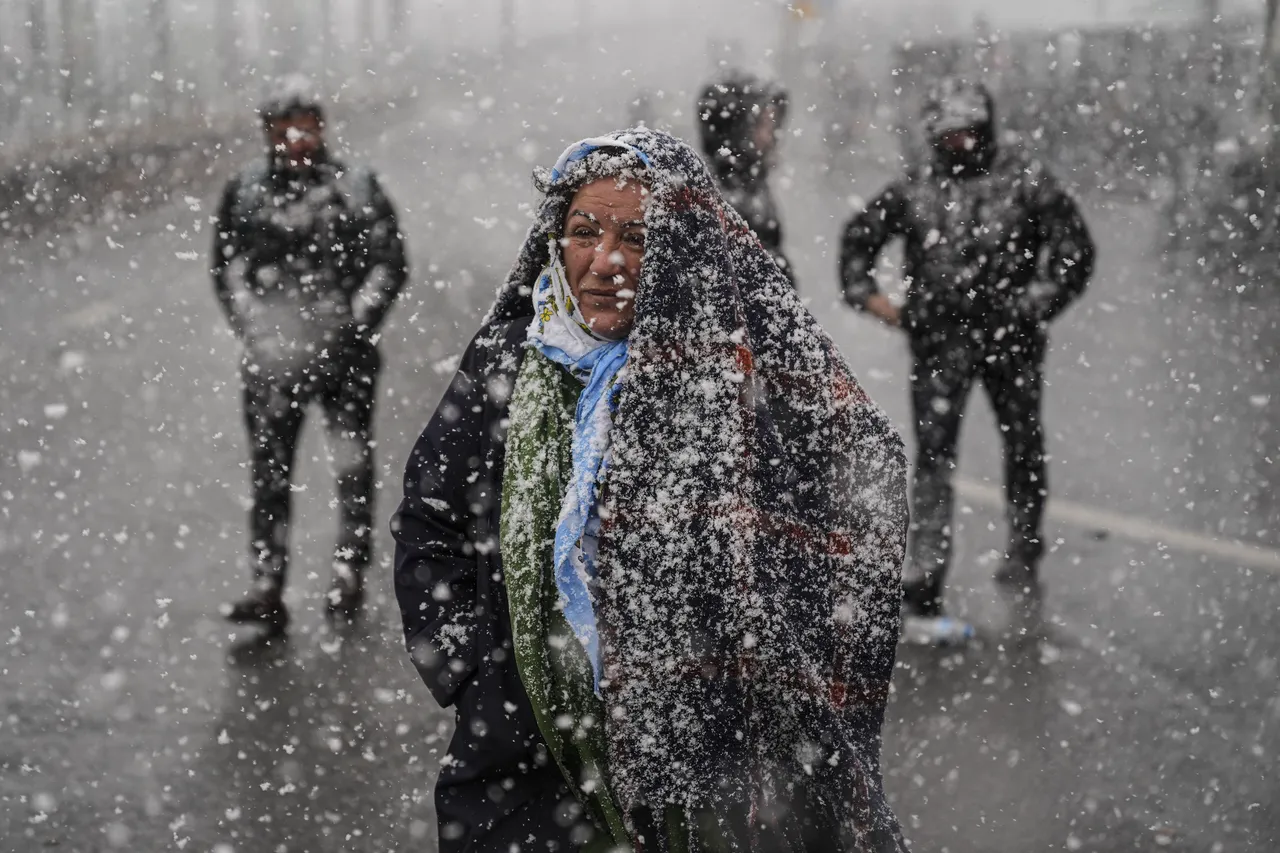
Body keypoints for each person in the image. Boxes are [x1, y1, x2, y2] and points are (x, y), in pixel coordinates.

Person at [393, 128, 910, 853]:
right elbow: (430, 522)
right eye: (583, 231)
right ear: (555, 241)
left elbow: (841, 509)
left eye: (637, 237)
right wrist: (477, 673)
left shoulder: (728, 382)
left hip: (699, 770)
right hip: (524, 756)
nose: (605, 261)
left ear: (678, 254)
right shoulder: (507, 363)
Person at [839, 77, 1095, 620]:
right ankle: (927, 569)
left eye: (967, 134)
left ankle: (1025, 544)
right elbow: (858, 241)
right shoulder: (916, 187)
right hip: (938, 344)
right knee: (933, 458)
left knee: (1023, 444)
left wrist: (1031, 305)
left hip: (1013, 342)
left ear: (986, 129)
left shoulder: (1025, 180)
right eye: (949, 136)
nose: (959, 146)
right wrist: (879, 304)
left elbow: (1075, 251)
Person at [211, 76, 408, 633]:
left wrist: (355, 324)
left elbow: (390, 263)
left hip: (346, 359)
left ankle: (349, 571)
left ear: (323, 127)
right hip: (272, 362)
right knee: (270, 475)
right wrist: (257, 330)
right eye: (284, 125)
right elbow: (227, 270)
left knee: (352, 467)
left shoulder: (358, 186)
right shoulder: (245, 191)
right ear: (267, 132)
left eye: (308, 124)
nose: (297, 137)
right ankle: (268, 583)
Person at [696, 72, 795, 285]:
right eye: (763, 126)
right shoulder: (717, 195)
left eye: (774, 126)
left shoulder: (750, 183)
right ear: (735, 130)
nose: (771, 137)